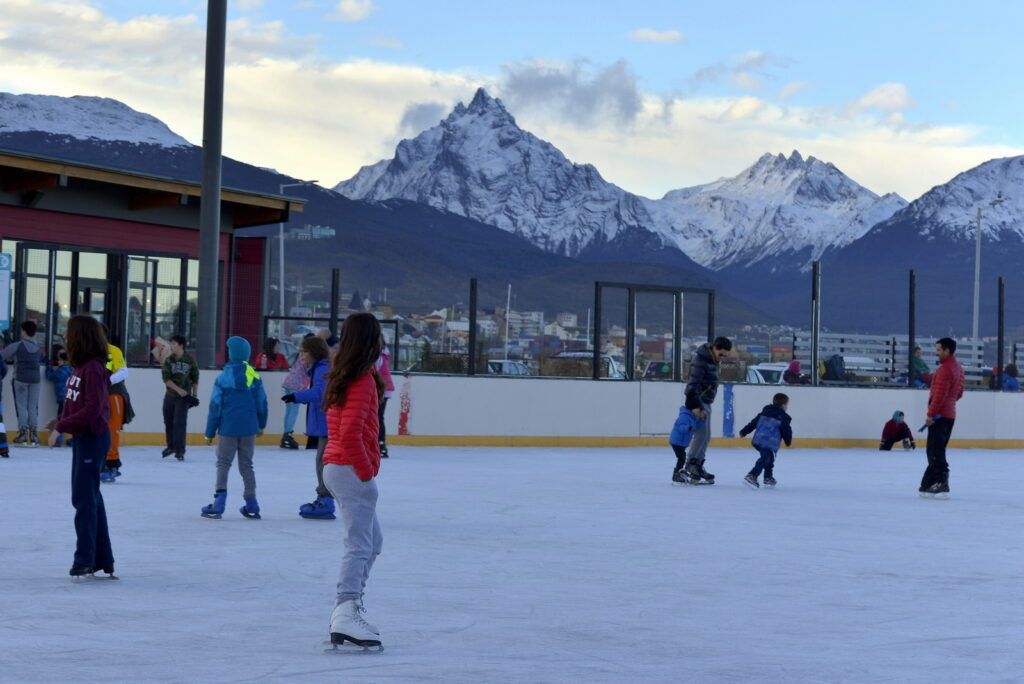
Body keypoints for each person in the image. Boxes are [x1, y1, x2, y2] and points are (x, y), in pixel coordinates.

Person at [321, 312, 385, 650]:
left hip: (338, 467)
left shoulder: (347, 375)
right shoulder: (359, 380)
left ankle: (349, 606)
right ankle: (345, 609)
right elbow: (349, 435)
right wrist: (365, 472)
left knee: (373, 542)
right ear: (372, 340)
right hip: (348, 468)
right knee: (359, 544)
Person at [45, 315, 115, 580]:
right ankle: (101, 559)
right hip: (84, 439)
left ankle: (84, 559)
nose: (65, 336)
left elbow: (92, 409)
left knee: (84, 499)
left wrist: (61, 428)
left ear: (80, 337)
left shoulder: (94, 369)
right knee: (90, 497)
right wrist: (60, 420)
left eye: (68, 332)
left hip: (93, 439)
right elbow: (78, 404)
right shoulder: (81, 367)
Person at [201, 337, 269, 520]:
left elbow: (215, 407)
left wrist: (209, 432)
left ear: (231, 353)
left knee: (223, 463)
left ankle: (219, 501)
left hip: (228, 428)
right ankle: (252, 502)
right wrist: (261, 424)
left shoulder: (223, 377)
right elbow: (262, 403)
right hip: (249, 428)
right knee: (247, 465)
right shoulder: (254, 375)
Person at [283, 336, 333, 519]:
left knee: (323, 462)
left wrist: (297, 397)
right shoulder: (318, 368)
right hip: (324, 424)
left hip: (327, 424)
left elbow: (320, 393)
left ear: (314, 352)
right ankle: (324, 497)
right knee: (322, 461)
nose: (301, 355)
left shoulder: (322, 369)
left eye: (304, 351)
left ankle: (326, 500)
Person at [681, 336, 732, 484]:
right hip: (698, 402)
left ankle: (698, 465)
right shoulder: (701, 360)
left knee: (706, 436)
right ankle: (690, 465)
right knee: (701, 435)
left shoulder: (712, 360)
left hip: (706, 402)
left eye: (725, 355)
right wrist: (696, 407)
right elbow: (691, 386)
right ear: (714, 348)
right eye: (721, 354)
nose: (722, 357)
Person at [920, 337, 964, 496]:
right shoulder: (958, 368)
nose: (936, 353)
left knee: (934, 451)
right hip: (950, 415)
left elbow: (939, 395)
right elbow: (959, 392)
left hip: (940, 416)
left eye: (939, 350)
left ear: (947, 351)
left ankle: (941, 482)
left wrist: (931, 414)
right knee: (935, 450)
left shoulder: (944, 369)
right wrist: (949, 405)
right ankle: (928, 484)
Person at [739, 392, 793, 488]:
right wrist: (788, 440)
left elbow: (753, 423)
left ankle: (768, 477)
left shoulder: (764, 412)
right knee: (766, 458)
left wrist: (744, 431)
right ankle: (752, 475)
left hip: (758, 440)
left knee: (769, 458)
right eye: (787, 405)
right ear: (783, 405)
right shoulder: (783, 417)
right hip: (770, 442)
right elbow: (786, 430)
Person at [3, 320, 43, 446]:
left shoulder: (18, 345)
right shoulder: (38, 347)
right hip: (36, 379)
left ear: (24, 331)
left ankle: (23, 434)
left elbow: (2, 356)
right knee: (33, 407)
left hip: (20, 378)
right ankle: (34, 435)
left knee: (21, 407)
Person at [101, 328, 133, 482]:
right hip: (97, 394)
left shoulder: (113, 350)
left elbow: (123, 371)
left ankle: (112, 462)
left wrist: (107, 381)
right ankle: (100, 461)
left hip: (114, 393)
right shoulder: (88, 352)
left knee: (112, 428)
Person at [161, 334, 199, 461]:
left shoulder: (190, 360)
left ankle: (180, 450)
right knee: (169, 421)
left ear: (181, 345)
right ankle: (171, 446)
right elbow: (166, 379)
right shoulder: (169, 360)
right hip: (171, 395)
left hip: (183, 398)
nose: (171, 346)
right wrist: (178, 390)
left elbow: (195, 378)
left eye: (174, 344)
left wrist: (194, 395)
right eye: (171, 343)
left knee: (179, 423)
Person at [669, 395, 706, 485]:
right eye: (699, 410)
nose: (700, 412)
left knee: (682, 457)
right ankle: (677, 475)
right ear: (692, 409)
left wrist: (702, 420)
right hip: (676, 442)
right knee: (681, 458)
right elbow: (681, 428)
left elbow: (697, 427)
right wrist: (689, 428)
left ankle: (680, 473)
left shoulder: (693, 417)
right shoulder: (684, 416)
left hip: (681, 442)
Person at [278, 345, 309, 450]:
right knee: (293, 412)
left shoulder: (301, 356)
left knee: (289, 411)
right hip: (295, 386)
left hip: (289, 384)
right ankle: (287, 435)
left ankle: (286, 435)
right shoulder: (307, 358)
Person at [45, 348, 74, 448]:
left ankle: (57, 439)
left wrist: (48, 366)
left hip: (62, 399)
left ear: (64, 361)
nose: (58, 362)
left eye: (59, 360)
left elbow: (49, 376)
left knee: (60, 418)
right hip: (71, 398)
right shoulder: (72, 370)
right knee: (71, 418)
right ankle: (74, 438)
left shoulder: (60, 371)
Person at [376, 343, 395, 458]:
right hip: (384, 389)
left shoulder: (378, 357)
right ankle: (380, 444)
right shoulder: (382, 355)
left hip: (382, 389)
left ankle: (381, 444)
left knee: (377, 417)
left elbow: (374, 373)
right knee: (378, 417)